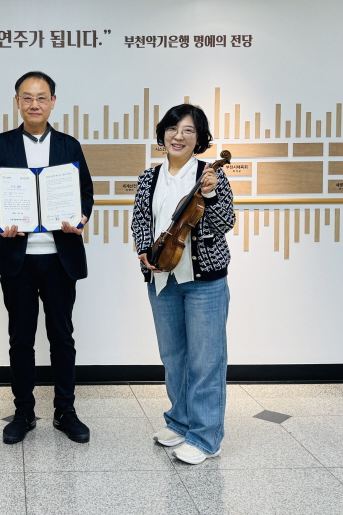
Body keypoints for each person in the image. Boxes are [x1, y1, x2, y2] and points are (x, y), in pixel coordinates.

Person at [0, 71, 94, 444]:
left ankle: (65, 411)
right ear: (17, 102)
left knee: (62, 337)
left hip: (60, 258)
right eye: (27, 97)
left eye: (41, 97)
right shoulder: (1, 144)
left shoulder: (69, 146)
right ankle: (24, 411)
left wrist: (80, 218)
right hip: (18, 258)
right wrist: (0, 220)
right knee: (20, 339)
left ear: (53, 102)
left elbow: (85, 193)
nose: (34, 104)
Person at [131, 103, 234, 465]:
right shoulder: (149, 177)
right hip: (162, 278)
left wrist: (211, 195)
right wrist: (144, 249)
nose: (179, 136)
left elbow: (224, 223)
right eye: (173, 129)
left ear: (199, 138)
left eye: (189, 130)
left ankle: (206, 437)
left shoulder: (210, 175)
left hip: (204, 281)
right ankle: (180, 421)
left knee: (206, 360)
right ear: (163, 134)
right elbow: (140, 220)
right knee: (173, 356)